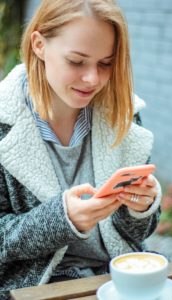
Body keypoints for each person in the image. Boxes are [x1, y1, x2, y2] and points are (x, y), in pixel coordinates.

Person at [0, 0, 162, 298]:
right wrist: (61, 220)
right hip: (39, 287)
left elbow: (140, 234)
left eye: (106, 63)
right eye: (76, 61)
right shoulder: (3, 124)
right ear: (39, 45)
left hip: (117, 278)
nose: (93, 79)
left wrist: (140, 210)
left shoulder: (124, 114)